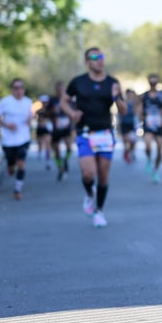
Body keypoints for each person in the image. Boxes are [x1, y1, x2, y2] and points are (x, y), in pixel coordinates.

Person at [60, 47, 128, 228]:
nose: (100, 60)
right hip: (85, 133)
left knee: (103, 176)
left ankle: (99, 211)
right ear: (87, 62)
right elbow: (63, 101)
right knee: (88, 173)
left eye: (102, 56)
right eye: (95, 57)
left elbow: (123, 110)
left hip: (105, 133)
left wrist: (116, 98)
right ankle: (90, 194)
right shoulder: (78, 82)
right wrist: (72, 114)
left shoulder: (112, 83)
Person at [0, 79, 35, 200]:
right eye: (16, 88)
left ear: (24, 89)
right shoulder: (5, 102)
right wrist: (7, 125)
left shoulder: (28, 102)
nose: (19, 90)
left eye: (21, 87)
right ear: (12, 89)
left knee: (21, 163)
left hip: (23, 138)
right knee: (12, 164)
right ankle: (10, 166)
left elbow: (31, 116)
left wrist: (30, 121)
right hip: (9, 140)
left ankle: (17, 189)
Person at [139, 74, 162, 183]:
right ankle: (148, 159)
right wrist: (141, 117)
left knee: (160, 151)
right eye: (151, 82)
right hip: (148, 125)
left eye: (155, 82)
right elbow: (139, 109)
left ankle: (156, 170)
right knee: (148, 146)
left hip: (159, 124)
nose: (153, 84)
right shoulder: (144, 96)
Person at [48, 81, 76, 181]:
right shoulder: (52, 100)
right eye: (58, 88)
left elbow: (74, 111)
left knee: (69, 148)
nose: (60, 90)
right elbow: (46, 112)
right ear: (56, 89)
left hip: (66, 128)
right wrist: (52, 111)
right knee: (57, 152)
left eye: (62, 88)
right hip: (56, 129)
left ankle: (66, 160)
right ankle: (61, 169)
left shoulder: (69, 100)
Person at [119, 89, 139, 164]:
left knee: (133, 140)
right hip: (124, 123)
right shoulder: (123, 102)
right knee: (126, 141)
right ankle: (126, 152)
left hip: (132, 124)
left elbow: (137, 113)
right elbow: (120, 113)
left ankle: (130, 152)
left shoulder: (135, 103)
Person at [34, 94, 53, 169]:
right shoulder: (38, 111)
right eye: (43, 102)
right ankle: (39, 153)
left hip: (47, 129)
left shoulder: (50, 110)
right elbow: (37, 120)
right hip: (40, 128)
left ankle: (48, 159)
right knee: (39, 143)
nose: (45, 103)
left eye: (46, 102)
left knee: (47, 144)